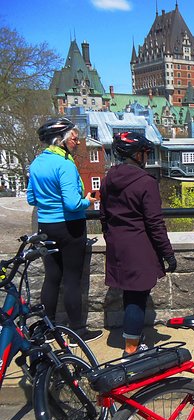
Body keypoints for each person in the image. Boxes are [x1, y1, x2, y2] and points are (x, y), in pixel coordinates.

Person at [99, 132, 176, 357]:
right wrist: (168, 254)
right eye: (144, 152)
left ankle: (131, 339)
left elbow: (104, 216)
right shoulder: (145, 182)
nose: (146, 157)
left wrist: (112, 238)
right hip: (139, 247)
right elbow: (155, 223)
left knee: (129, 295)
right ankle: (131, 349)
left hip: (118, 246)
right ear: (137, 155)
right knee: (137, 298)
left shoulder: (108, 179)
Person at [27, 117, 102, 342]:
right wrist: (87, 201)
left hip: (46, 226)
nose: (77, 143)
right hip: (69, 227)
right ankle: (78, 331)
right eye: (74, 138)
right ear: (61, 140)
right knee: (71, 279)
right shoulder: (65, 165)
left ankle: (48, 329)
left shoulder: (37, 163)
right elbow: (71, 203)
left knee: (51, 277)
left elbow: (32, 198)